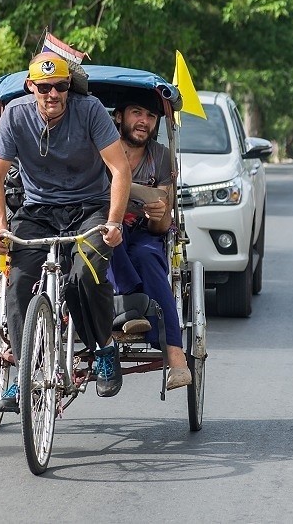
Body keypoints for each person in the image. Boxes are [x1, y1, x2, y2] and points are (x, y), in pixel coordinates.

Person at [0, 52, 131, 410]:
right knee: (18, 280)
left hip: (89, 208)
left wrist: (113, 222)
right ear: (31, 87)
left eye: (61, 86)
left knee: (87, 272)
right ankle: (24, 374)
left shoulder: (90, 110)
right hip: (37, 211)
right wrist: (0, 229)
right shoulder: (15, 115)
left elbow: (120, 169)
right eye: (45, 87)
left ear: (70, 87)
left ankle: (105, 348)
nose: (53, 95)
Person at [105, 91, 192, 390]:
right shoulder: (101, 148)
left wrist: (158, 213)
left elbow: (162, 226)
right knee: (107, 241)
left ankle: (175, 353)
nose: (143, 121)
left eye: (151, 116)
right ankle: (133, 302)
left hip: (144, 233)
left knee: (146, 256)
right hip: (106, 229)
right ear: (119, 116)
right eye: (136, 113)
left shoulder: (160, 157)